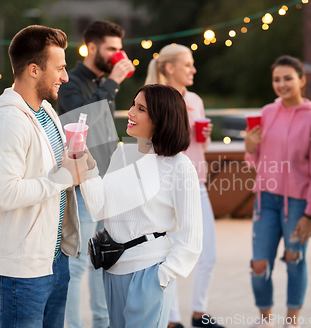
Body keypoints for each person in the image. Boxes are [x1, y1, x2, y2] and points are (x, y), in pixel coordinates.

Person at [0, 25, 87, 328]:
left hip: (54, 261)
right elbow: (3, 194)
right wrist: (64, 177)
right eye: (60, 68)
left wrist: (78, 159)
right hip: (19, 272)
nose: (65, 77)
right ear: (33, 70)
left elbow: (54, 170)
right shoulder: (7, 120)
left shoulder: (47, 112)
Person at [80, 84, 203, 328]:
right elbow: (99, 209)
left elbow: (192, 236)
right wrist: (89, 169)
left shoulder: (180, 165)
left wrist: (163, 276)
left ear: (161, 118)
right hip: (112, 270)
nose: (130, 112)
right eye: (132, 105)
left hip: (150, 273)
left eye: (141, 108)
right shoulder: (122, 154)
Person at [57, 20, 135, 328]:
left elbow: (105, 131)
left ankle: (103, 324)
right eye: (111, 48)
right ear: (92, 48)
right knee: (77, 265)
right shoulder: (71, 81)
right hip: (81, 182)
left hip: (107, 181)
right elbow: (80, 121)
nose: (118, 54)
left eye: (119, 48)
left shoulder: (104, 83)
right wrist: (113, 82)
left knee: (105, 259)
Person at [244, 56, 311, 328]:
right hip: (266, 199)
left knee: (294, 259)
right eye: (277, 79)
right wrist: (249, 147)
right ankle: (264, 320)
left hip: (298, 202)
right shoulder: (267, 113)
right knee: (259, 264)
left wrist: (310, 212)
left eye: (288, 78)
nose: (281, 84)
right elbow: (255, 162)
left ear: (302, 80)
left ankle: (291, 322)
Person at [145, 44, 223, 328]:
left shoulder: (195, 100)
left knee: (208, 251)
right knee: (170, 254)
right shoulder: (154, 99)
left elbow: (200, 145)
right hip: (166, 186)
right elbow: (147, 144)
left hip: (197, 183)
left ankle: (199, 314)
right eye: (187, 64)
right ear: (169, 68)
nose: (193, 69)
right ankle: (173, 320)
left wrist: (205, 137)